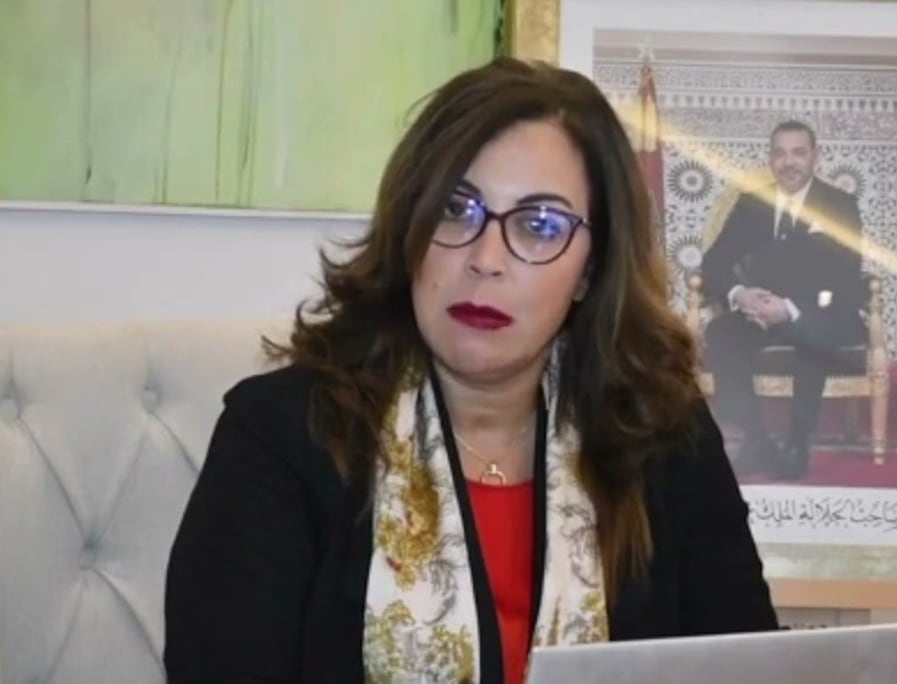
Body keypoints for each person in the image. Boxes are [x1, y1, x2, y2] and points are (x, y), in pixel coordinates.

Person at [163, 57, 778, 684]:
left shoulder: (664, 439)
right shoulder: (284, 434)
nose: (486, 259)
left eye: (540, 226)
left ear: (590, 271)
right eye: (456, 210)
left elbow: (749, 668)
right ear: (410, 230)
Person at [700, 120, 867, 481]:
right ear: (771, 158)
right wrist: (741, 295)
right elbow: (713, 263)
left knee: (812, 332)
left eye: (798, 153)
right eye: (780, 153)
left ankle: (798, 444)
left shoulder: (840, 205)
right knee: (720, 334)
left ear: (815, 156)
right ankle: (756, 440)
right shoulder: (752, 203)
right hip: (761, 312)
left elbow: (845, 275)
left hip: (820, 310)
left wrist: (790, 310)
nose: (788, 162)